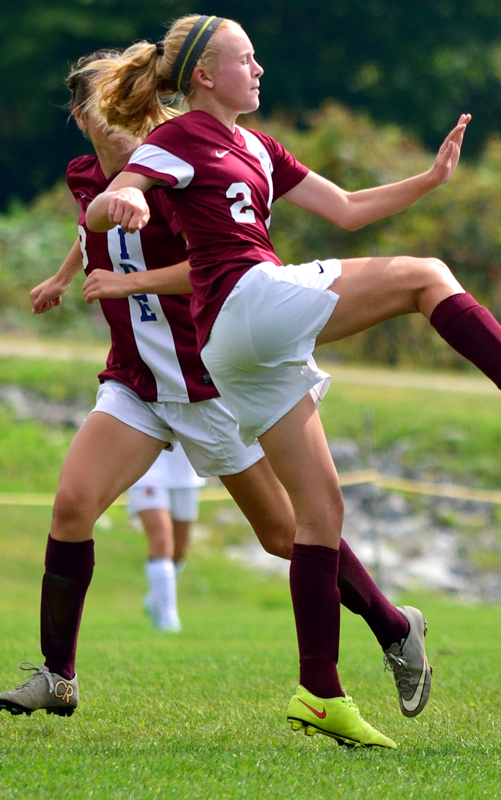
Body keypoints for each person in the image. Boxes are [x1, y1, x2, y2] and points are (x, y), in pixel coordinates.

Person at [82, 16, 501, 748]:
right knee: (425, 277)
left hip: (236, 348)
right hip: (247, 302)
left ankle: (321, 692)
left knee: (320, 517)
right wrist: (124, 200)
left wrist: (430, 180)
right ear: (205, 76)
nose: (260, 70)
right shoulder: (179, 135)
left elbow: (345, 210)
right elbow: (118, 192)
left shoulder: (256, 145)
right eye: (246, 60)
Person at [0, 50, 439, 747]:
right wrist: (63, 275)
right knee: (71, 506)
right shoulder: (87, 176)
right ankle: (58, 676)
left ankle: (393, 624)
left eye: (139, 110)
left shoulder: (175, 171)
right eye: (113, 111)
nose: (131, 124)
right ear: (83, 118)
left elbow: (210, 268)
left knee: (282, 533)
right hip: (137, 384)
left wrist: (128, 286)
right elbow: (95, 230)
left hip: (212, 384)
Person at [127, 446, 205, 632]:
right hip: (146, 470)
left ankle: (155, 601)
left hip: (186, 471)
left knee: (179, 551)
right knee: (161, 542)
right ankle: (168, 618)